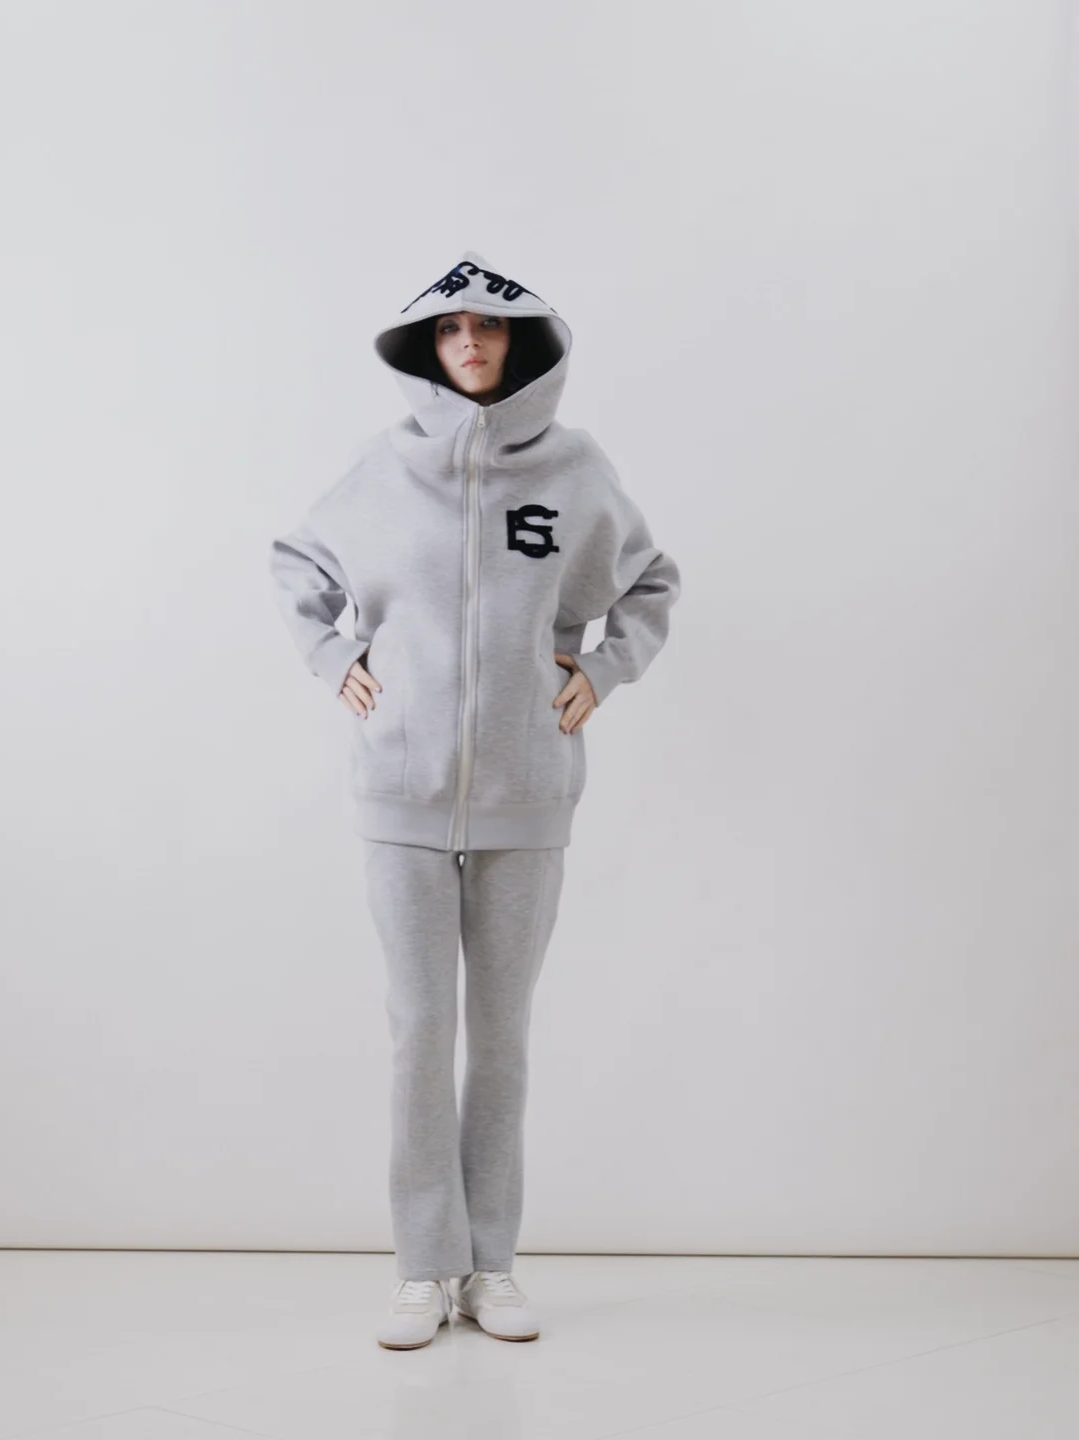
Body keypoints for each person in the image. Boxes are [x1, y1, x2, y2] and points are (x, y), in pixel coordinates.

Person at [269, 250, 681, 1349]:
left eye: (487, 328)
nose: (469, 344)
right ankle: (424, 1267)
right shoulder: (382, 468)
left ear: (518, 343)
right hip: (400, 794)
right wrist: (336, 657)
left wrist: (602, 669)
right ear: (428, 348)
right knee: (419, 1032)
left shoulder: (576, 469)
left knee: (499, 1041)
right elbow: (298, 563)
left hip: (527, 793)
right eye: (450, 330)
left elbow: (651, 581)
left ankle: (491, 1265)